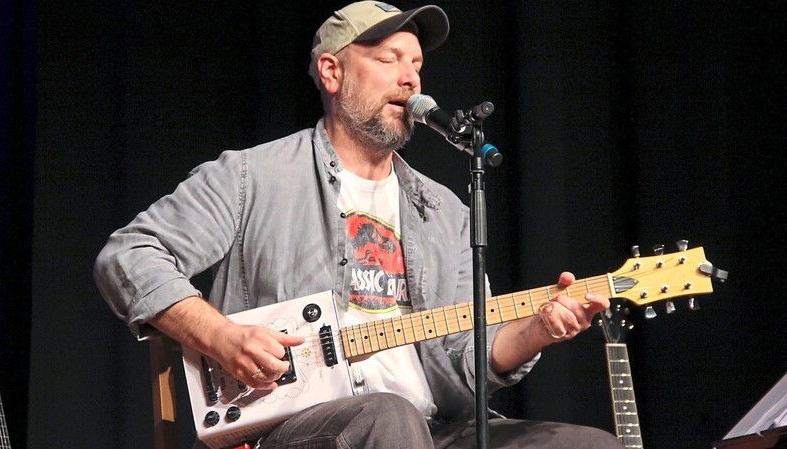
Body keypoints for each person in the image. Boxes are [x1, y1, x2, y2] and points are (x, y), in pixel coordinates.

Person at [94, 2, 624, 448]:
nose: (410, 77)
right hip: (290, 427)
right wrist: (221, 336)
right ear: (332, 72)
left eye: (416, 63)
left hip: (431, 428)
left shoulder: (444, 212)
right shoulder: (251, 176)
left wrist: (536, 331)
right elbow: (130, 255)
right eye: (388, 58)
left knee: (590, 445)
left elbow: (465, 370)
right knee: (388, 419)